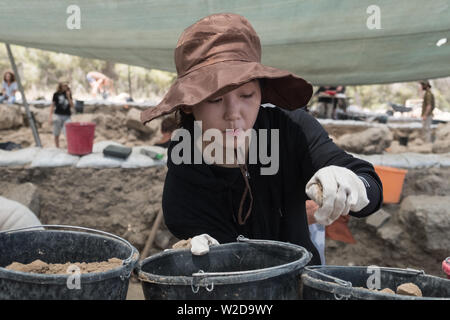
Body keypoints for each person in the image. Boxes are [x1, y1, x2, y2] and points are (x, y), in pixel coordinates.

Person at [140, 14, 383, 264]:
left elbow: (371, 188)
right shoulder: (186, 159)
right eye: (215, 99)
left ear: (261, 91)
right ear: (190, 105)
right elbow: (193, 229)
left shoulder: (291, 128)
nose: (233, 114)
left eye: (246, 95)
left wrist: (355, 185)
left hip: (300, 279)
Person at [48, 81, 74, 148]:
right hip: (58, 115)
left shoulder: (68, 93)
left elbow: (72, 106)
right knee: (56, 133)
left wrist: (68, 96)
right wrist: (50, 117)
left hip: (67, 116)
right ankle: (57, 147)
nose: (65, 87)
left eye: (66, 86)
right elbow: (52, 106)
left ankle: (70, 147)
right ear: (60, 86)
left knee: (68, 132)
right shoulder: (56, 94)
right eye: (64, 86)